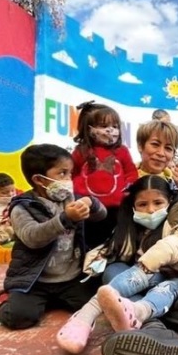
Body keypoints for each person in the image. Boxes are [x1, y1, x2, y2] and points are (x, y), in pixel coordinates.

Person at [56, 175, 178, 355]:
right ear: (133, 206)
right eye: (142, 204)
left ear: (170, 201)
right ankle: (113, 318)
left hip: (172, 279)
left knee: (168, 285)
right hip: (139, 277)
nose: (151, 210)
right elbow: (114, 251)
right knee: (114, 271)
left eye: (158, 203)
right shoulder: (127, 226)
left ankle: (120, 313)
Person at [0, 144, 107, 330]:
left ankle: (55, 300)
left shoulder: (70, 198)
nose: (68, 179)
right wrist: (66, 219)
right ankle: (11, 296)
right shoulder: (22, 207)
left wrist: (92, 203)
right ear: (39, 179)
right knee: (17, 317)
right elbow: (33, 237)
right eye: (62, 173)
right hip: (35, 281)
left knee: (99, 304)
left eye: (70, 173)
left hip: (71, 279)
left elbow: (101, 215)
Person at [71, 101, 138, 249]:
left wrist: (128, 191)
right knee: (88, 244)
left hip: (116, 209)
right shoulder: (81, 151)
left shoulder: (122, 151)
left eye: (114, 127)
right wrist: (78, 193)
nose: (110, 130)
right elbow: (72, 174)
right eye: (103, 126)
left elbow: (131, 172)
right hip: (89, 210)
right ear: (89, 129)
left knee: (112, 244)